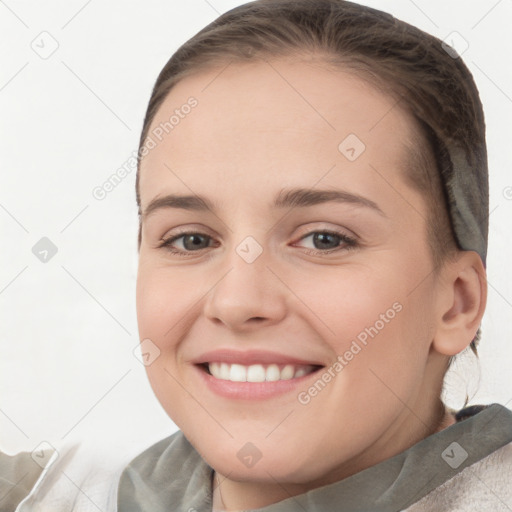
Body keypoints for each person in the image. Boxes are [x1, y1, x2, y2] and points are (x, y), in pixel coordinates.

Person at [3, 0, 511, 510]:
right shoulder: (49, 495)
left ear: (456, 303)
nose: (237, 301)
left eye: (323, 239)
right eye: (191, 239)